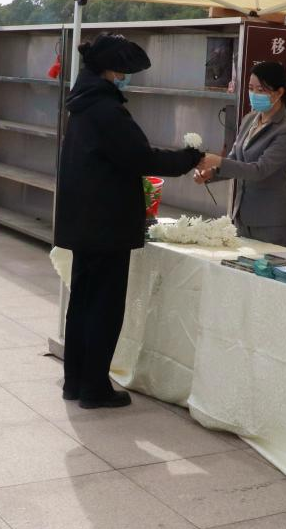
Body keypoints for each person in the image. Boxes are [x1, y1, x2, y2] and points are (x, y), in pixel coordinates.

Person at [54, 33, 215, 408]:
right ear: (111, 70)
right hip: (106, 223)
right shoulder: (107, 110)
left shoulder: (82, 104)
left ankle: (74, 381)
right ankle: (94, 388)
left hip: (83, 221)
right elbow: (142, 157)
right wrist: (190, 157)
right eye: (123, 71)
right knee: (105, 306)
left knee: (83, 302)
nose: (125, 78)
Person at [193, 61, 286, 247]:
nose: (254, 94)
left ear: (279, 93)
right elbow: (235, 159)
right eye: (251, 89)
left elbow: (259, 170)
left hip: (271, 221)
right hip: (242, 216)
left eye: (260, 90)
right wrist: (211, 173)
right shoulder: (250, 119)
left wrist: (218, 161)